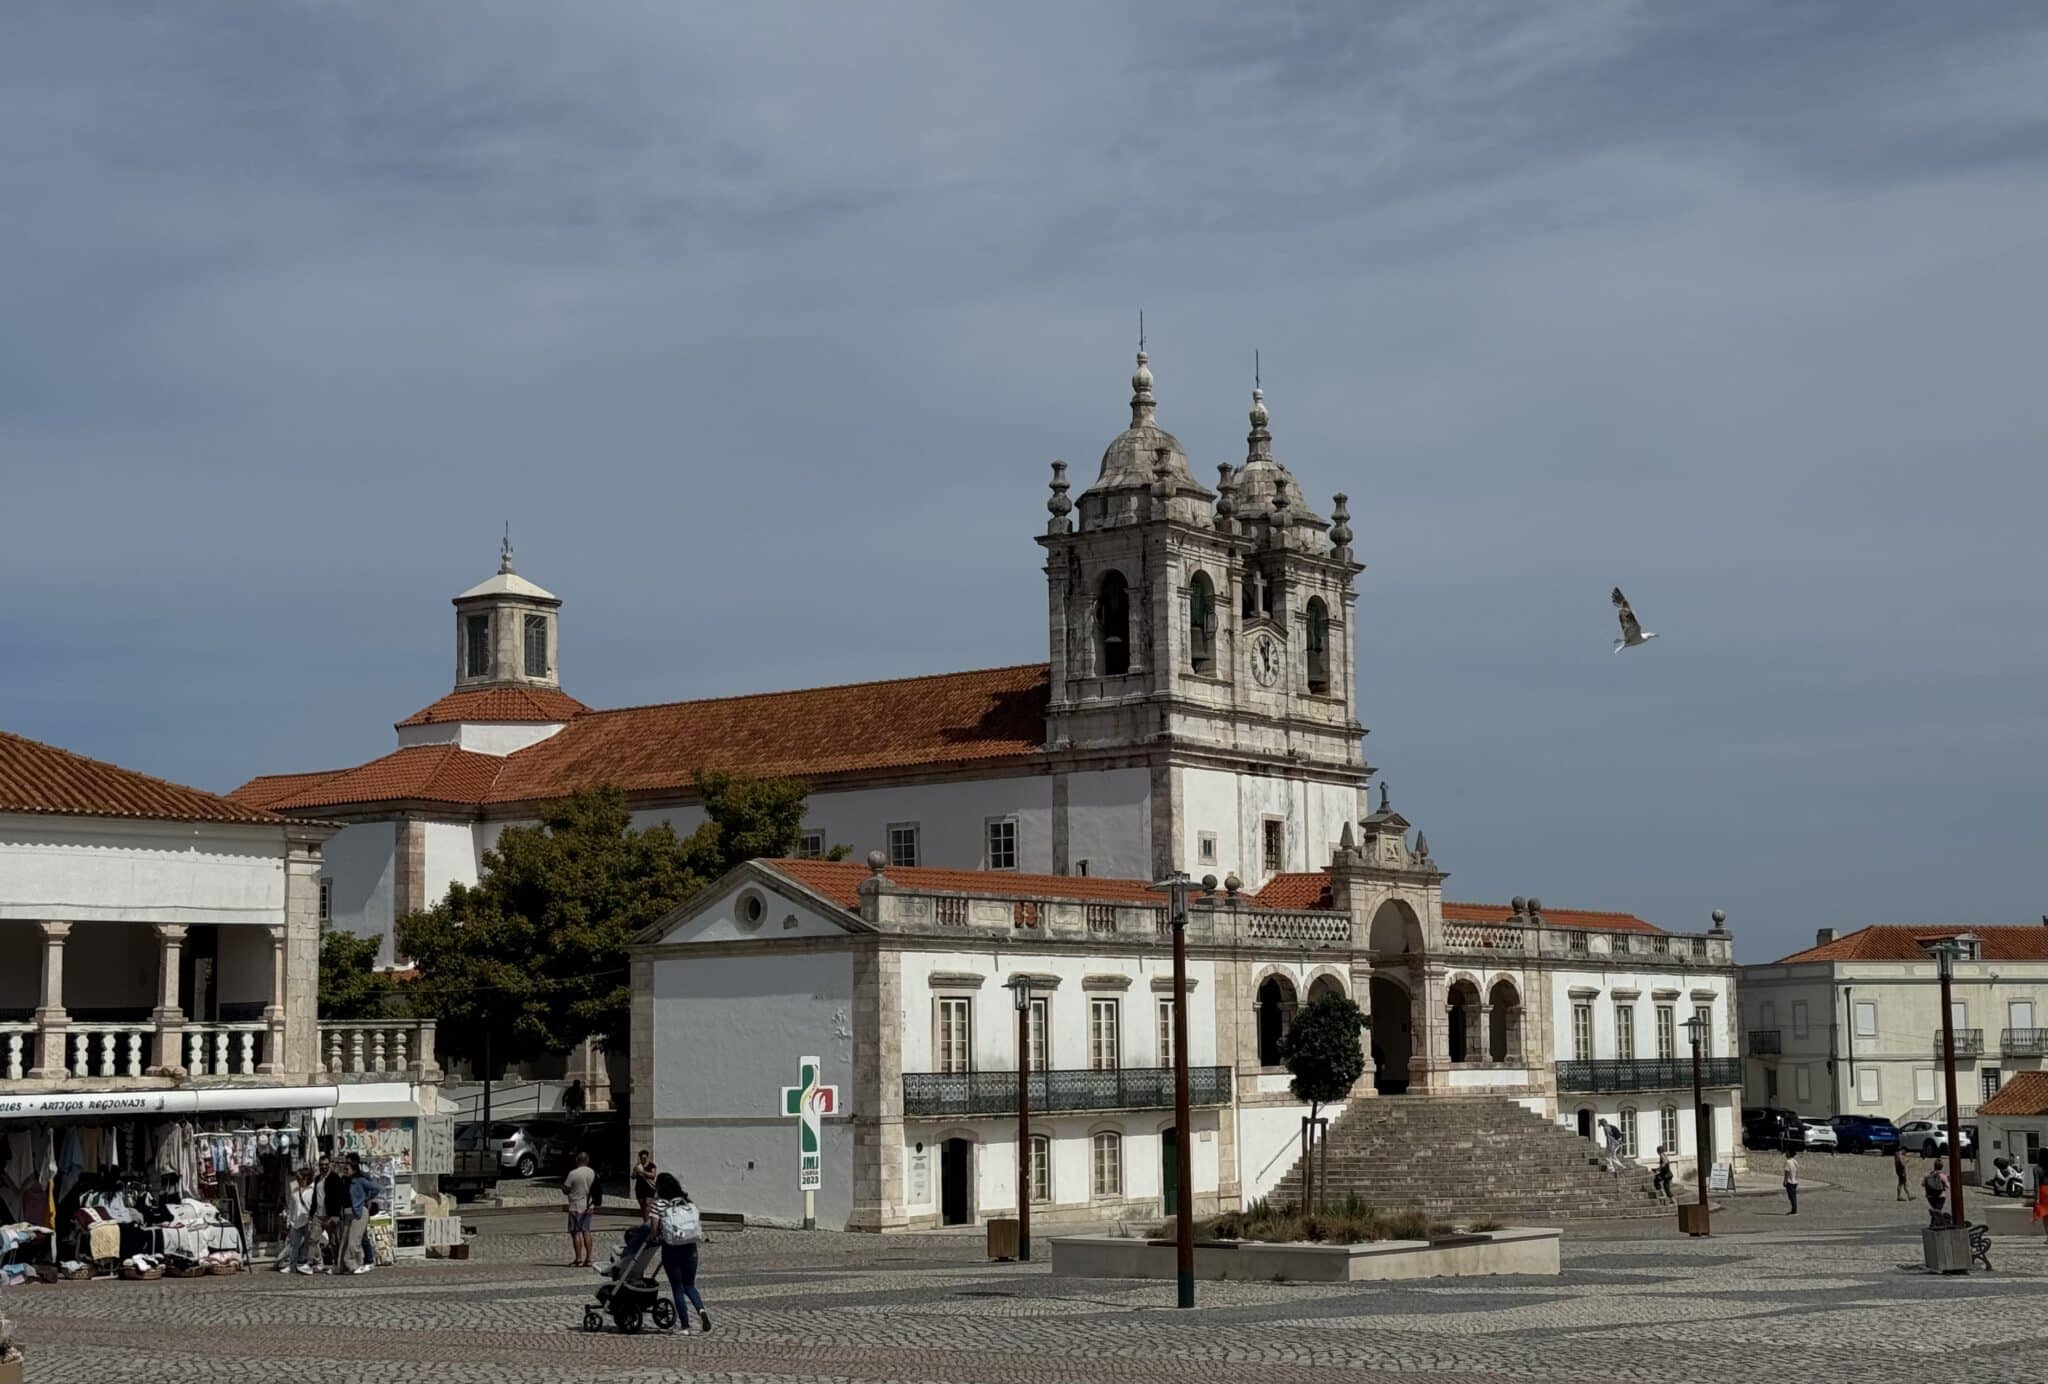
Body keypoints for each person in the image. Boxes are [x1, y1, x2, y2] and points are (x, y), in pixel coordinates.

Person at [649, 1172, 709, 1334]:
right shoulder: (687, 1202)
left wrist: (653, 1237)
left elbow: (653, 1230)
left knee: (677, 1287)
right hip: (690, 1248)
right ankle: (701, 1311)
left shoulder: (659, 1204)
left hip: (672, 1249)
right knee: (690, 1285)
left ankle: (685, 1326)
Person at [333, 1154, 380, 1275]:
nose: (345, 1167)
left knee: (354, 1241)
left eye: (348, 1164)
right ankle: (343, 1266)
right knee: (345, 1241)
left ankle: (352, 1264)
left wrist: (365, 1199)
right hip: (347, 1212)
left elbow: (376, 1188)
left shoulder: (360, 1179)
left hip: (358, 1212)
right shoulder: (345, 1179)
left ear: (353, 1165)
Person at [277, 1167, 317, 1274]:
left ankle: (308, 1264)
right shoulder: (295, 1191)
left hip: (308, 1221)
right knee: (294, 1244)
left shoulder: (313, 1190)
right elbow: (291, 1207)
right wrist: (289, 1220)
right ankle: (292, 1265)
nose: (298, 1181)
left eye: (300, 1178)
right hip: (296, 1221)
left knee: (309, 1244)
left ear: (306, 1178)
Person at [563, 1150, 598, 1268]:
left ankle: (578, 1258)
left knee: (575, 1233)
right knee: (586, 1231)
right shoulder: (592, 1172)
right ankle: (588, 1259)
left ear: (577, 1160)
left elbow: (566, 1189)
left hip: (575, 1206)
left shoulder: (573, 1173)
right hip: (588, 1206)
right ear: (587, 1160)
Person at [314, 1155, 349, 1272]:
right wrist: (311, 1213)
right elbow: (315, 1197)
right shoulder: (317, 1179)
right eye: (321, 1165)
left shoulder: (335, 1178)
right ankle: (319, 1263)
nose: (324, 1167)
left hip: (331, 1215)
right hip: (318, 1215)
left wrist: (337, 1215)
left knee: (334, 1241)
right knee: (313, 1240)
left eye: (326, 1165)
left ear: (329, 1165)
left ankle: (337, 1264)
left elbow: (340, 1197)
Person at [1782, 1151, 1799, 1215]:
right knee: (1793, 1196)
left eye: (1787, 1153)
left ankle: (1794, 1210)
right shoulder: (1794, 1161)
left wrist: (1785, 1180)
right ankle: (1794, 1209)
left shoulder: (1788, 1161)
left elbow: (1786, 1172)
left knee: (1791, 1197)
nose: (1785, 1154)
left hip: (1790, 1182)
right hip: (1795, 1181)